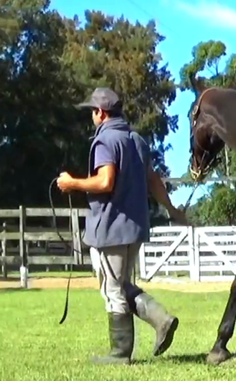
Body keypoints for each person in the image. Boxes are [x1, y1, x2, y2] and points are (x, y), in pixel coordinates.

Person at [57, 87, 187, 364]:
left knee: (113, 289)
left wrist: (72, 183)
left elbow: (105, 182)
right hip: (135, 227)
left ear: (101, 112)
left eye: (93, 111)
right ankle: (159, 319)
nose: (92, 116)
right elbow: (153, 180)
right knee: (120, 284)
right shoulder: (136, 140)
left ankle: (124, 350)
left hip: (110, 227)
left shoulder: (105, 140)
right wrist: (172, 209)